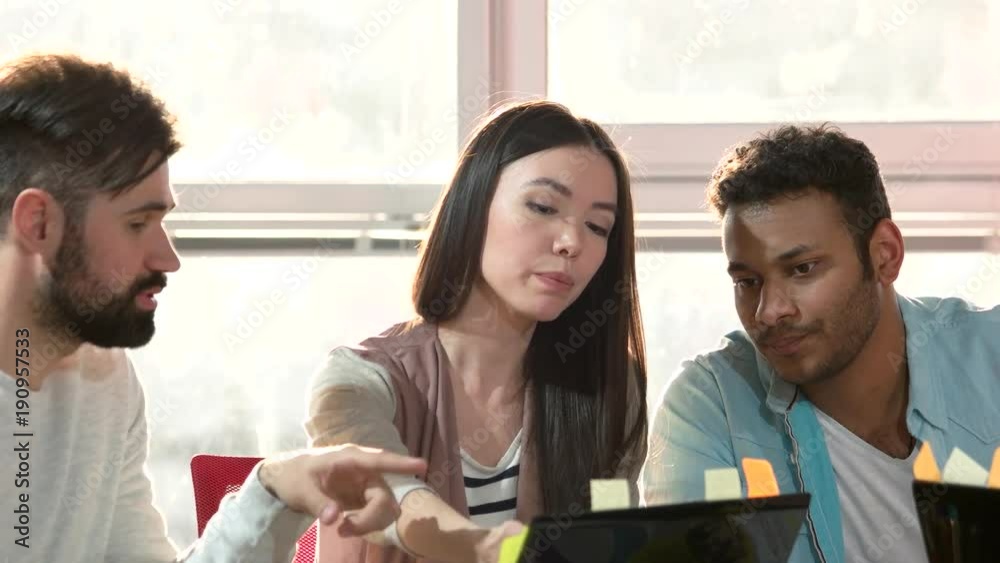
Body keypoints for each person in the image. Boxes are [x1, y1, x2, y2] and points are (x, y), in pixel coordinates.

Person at [0, 54, 427, 563]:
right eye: (137, 224)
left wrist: (274, 492)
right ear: (39, 224)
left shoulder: (105, 380)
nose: (167, 259)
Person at [306, 100, 649, 563]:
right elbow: (397, 504)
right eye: (543, 206)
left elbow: (613, 547)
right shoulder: (357, 382)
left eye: (597, 226)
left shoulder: (609, 389)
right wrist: (494, 551)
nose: (572, 242)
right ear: (474, 203)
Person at [642, 124, 1000, 563]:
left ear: (884, 255)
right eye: (748, 281)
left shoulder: (991, 356)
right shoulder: (710, 405)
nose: (769, 312)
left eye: (802, 269)